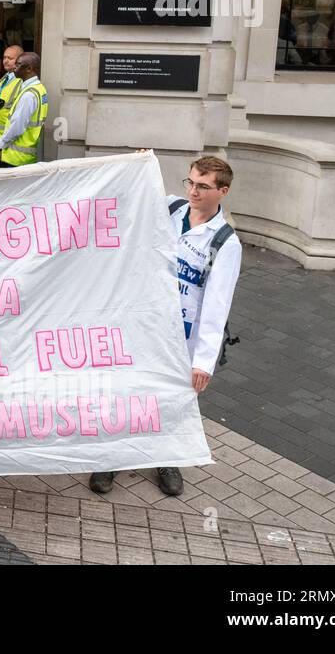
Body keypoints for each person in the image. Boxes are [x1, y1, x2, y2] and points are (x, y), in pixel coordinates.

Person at [90, 156, 243, 498]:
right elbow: (132, 193)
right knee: (127, 387)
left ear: (223, 191)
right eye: (190, 182)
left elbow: (217, 305)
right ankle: (112, 454)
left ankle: (166, 458)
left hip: (182, 335)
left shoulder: (224, 244)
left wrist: (203, 361)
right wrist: (135, 164)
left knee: (171, 397)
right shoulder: (173, 208)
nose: (193, 191)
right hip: (144, 322)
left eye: (203, 186)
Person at [0, 52, 48, 167]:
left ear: (29, 69)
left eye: (18, 65)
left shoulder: (28, 95)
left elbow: (17, 127)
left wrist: (1, 143)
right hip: (25, 157)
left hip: (16, 158)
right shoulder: (39, 88)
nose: (15, 67)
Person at [0, 45, 25, 168]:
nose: (5, 61)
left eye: (10, 58)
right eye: (4, 57)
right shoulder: (2, 80)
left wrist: (5, 142)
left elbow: (18, 117)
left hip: (7, 141)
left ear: (20, 60)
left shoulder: (21, 83)